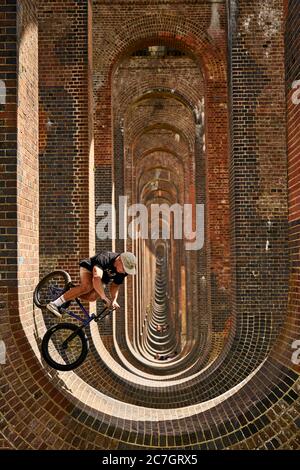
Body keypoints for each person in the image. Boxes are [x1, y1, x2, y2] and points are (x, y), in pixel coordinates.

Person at [46, 251, 137, 317]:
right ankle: (54, 304)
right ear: (120, 260)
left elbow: (115, 285)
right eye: (124, 268)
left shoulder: (123, 272)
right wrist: (103, 296)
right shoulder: (105, 258)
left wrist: (114, 299)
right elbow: (96, 277)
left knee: (92, 297)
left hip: (103, 279)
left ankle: (71, 293)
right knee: (87, 287)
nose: (124, 272)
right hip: (89, 269)